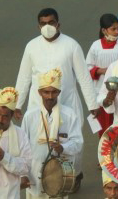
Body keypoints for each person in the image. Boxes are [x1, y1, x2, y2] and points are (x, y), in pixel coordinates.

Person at [14, 8, 99, 184]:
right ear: (38, 26)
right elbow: (24, 76)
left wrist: (92, 104)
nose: (47, 26)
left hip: (66, 101)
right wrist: (17, 104)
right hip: (38, 104)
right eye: (43, 23)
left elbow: (83, 75)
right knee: (37, 143)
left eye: (51, 22)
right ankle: (41, 177)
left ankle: (72, 175)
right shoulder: (31, 46)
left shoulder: (71, 45)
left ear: (58, 24)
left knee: (69, 140)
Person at [23, 69, 83, 199]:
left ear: (59, 92)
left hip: (59, 175)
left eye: (54, 92)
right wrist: (23, 174)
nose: (50, 96)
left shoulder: (69, 115)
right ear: (40, 92)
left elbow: (78, 143)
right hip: (34, 173)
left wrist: (63, 148)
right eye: (46, 92)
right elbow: (23, 147)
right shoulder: (30, 116)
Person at [87, 14, 118, 132]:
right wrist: (102, 70)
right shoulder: (95, 46)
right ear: (104, 30)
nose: (117, 32)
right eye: (113, 29)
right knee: (103, 128)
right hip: (100, 91)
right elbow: (87, 67)